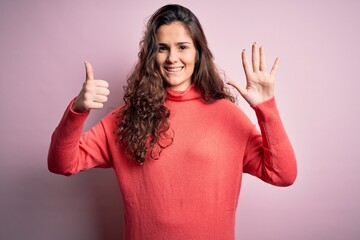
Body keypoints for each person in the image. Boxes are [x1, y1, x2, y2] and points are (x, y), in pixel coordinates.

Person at [48, 4, 297, 240]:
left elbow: (282, 175)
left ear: (198, 53)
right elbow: (62, 164)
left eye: (182, 47)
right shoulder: (127, 118)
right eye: (162, 48)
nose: (172, 58)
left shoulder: (227, 115)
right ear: (150, 54)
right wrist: (77, 111)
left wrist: (266, 108)